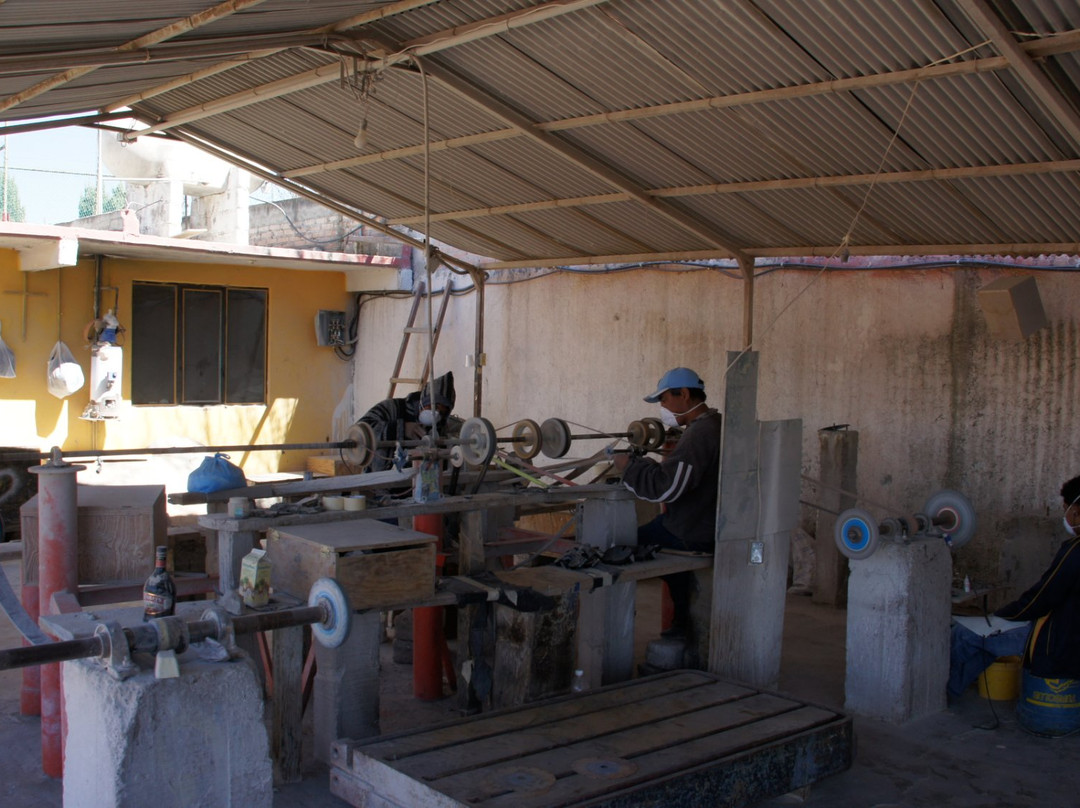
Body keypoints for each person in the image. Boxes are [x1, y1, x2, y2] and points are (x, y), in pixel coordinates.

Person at [612, 367, 723, 637]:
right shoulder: (716, 424)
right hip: (703, 522)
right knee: (666, 553)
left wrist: (629, 468)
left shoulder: (700, 433)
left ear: (683, 394)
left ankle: (615, 630)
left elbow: (667, 488)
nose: (662, 407)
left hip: (691, 530)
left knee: (615, 549)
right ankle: (682, 624)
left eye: (663, 400)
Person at [991, 474, 1080, 681]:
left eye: (1064, 509)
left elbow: (1042, 598)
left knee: (965, 637)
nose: (1065, 516)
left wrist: (1003, 615)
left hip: (1066, 645)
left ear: (1075, 512)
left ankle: (946, 695)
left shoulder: (1074, 551)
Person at [356, 371, 460, 473]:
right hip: (377, 481)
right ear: (424, 401)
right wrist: (400, 428)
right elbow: (359, 434)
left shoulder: (438, 426)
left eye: (442, 412)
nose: (436, 413)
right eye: (434, 406)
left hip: (411, 485)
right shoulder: (393, 408)